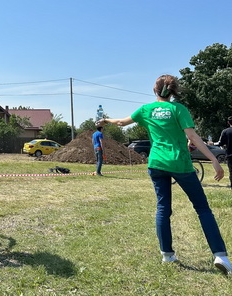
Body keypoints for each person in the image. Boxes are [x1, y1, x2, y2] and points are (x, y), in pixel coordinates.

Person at [99, 74, 232, 274]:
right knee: (203, 209)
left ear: (155, 90)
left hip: (157, 163)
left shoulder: (146, 110)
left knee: (163, 208)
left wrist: (105, 120)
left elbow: (120, 122)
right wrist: (213, 159)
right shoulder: (178, 109)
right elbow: (192, 136)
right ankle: (220, 255)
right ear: (173, 91)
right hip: (180, 163)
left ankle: (167, 255)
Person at [214, 116, 232, 187]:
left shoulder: (225, 131)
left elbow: (220, 143)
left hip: (230, 155)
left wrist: (212, 143)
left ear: (228, 122)